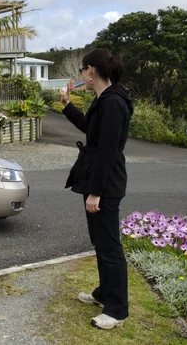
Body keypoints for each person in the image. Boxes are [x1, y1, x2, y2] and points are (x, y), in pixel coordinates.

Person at [60, 48, 134, 330]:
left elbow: (107, 152)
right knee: (101, 243)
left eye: (82, 69)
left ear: (91, 71)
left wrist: (96, 192)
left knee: (110, 246)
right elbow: (91, 130)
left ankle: (116, 310)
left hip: (106, 185)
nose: (81, 74)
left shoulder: (114, 102)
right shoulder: (105, 99)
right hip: (99, 182)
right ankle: (104, 294)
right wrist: (67, 105)